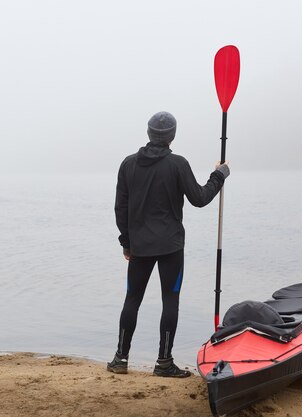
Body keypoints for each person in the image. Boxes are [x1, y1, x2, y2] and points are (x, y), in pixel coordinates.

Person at [107, 111, 230, 378]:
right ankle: (163, 363)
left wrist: (126, 243)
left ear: (149, 133)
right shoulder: (177, 164)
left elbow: (121, 209)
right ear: (172, 136)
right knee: (170, 301)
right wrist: (219, 175)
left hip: (139, 247)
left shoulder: (128, 164)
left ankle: (120, 359)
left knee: (132, 299)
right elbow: (199, 198)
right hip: (171, 247)